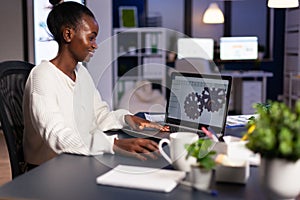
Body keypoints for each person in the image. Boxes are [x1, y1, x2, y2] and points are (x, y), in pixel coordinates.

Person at [23, 0, 169, 167]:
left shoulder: (81, 73)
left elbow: (99, 116)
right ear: (68, 35)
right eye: (91, 38)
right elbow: (58, 137)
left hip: (77, 160)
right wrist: (113, 144)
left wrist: (128, 119)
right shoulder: (42, 76)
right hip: (49, 169)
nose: (95, 45)